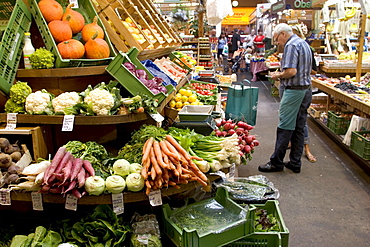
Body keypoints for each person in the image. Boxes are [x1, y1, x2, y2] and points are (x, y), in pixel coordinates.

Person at [258, 23, 313, 173]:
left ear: (283, 34)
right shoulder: (304, 44)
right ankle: (295, 162)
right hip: (306, 90)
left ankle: (276, 161)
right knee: (299, 127)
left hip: (294, 91)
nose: (277, 43)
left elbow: (291, 71)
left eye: (276, 39)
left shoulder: (291, 45)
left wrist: (278, 75)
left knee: (285, 127)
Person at [292, 25, 317, 163]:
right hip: (301, 87)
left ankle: (306, 149)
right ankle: (293, 143)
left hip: (301, 88)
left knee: (301, 121)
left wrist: (300, 70)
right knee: (296, 119)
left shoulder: (305, 49)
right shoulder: (296, 47)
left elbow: (314, 70)